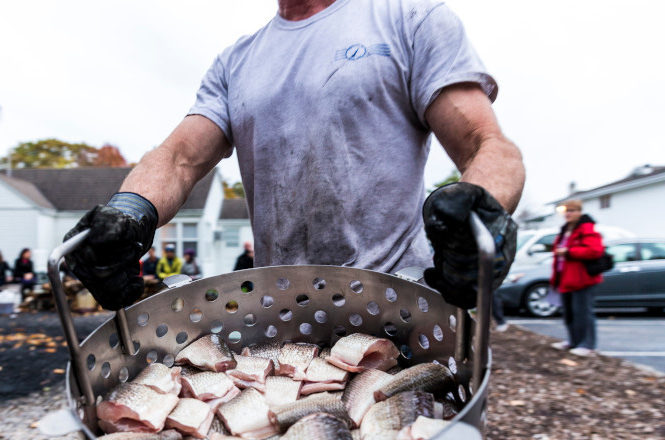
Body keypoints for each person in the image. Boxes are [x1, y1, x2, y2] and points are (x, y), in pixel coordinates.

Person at [64, 0, 524, 315]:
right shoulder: (236, 62)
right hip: (282, 318)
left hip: (400, 308)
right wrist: (126, 215)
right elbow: (179, 156)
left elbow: (487, 143)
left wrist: (479, 213)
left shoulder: (408, 18)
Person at [549, 199, 604, 356]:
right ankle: (573, 341)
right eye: (566, 210)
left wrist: (569, 252)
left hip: (582, 279)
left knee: (583, 313)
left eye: (572, 210)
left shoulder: (587, 228)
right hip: (565, 278)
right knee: (570, 313)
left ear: (579, 212)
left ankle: (587, 345)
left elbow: (595, 251)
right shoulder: (565, 229)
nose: (568, 213)